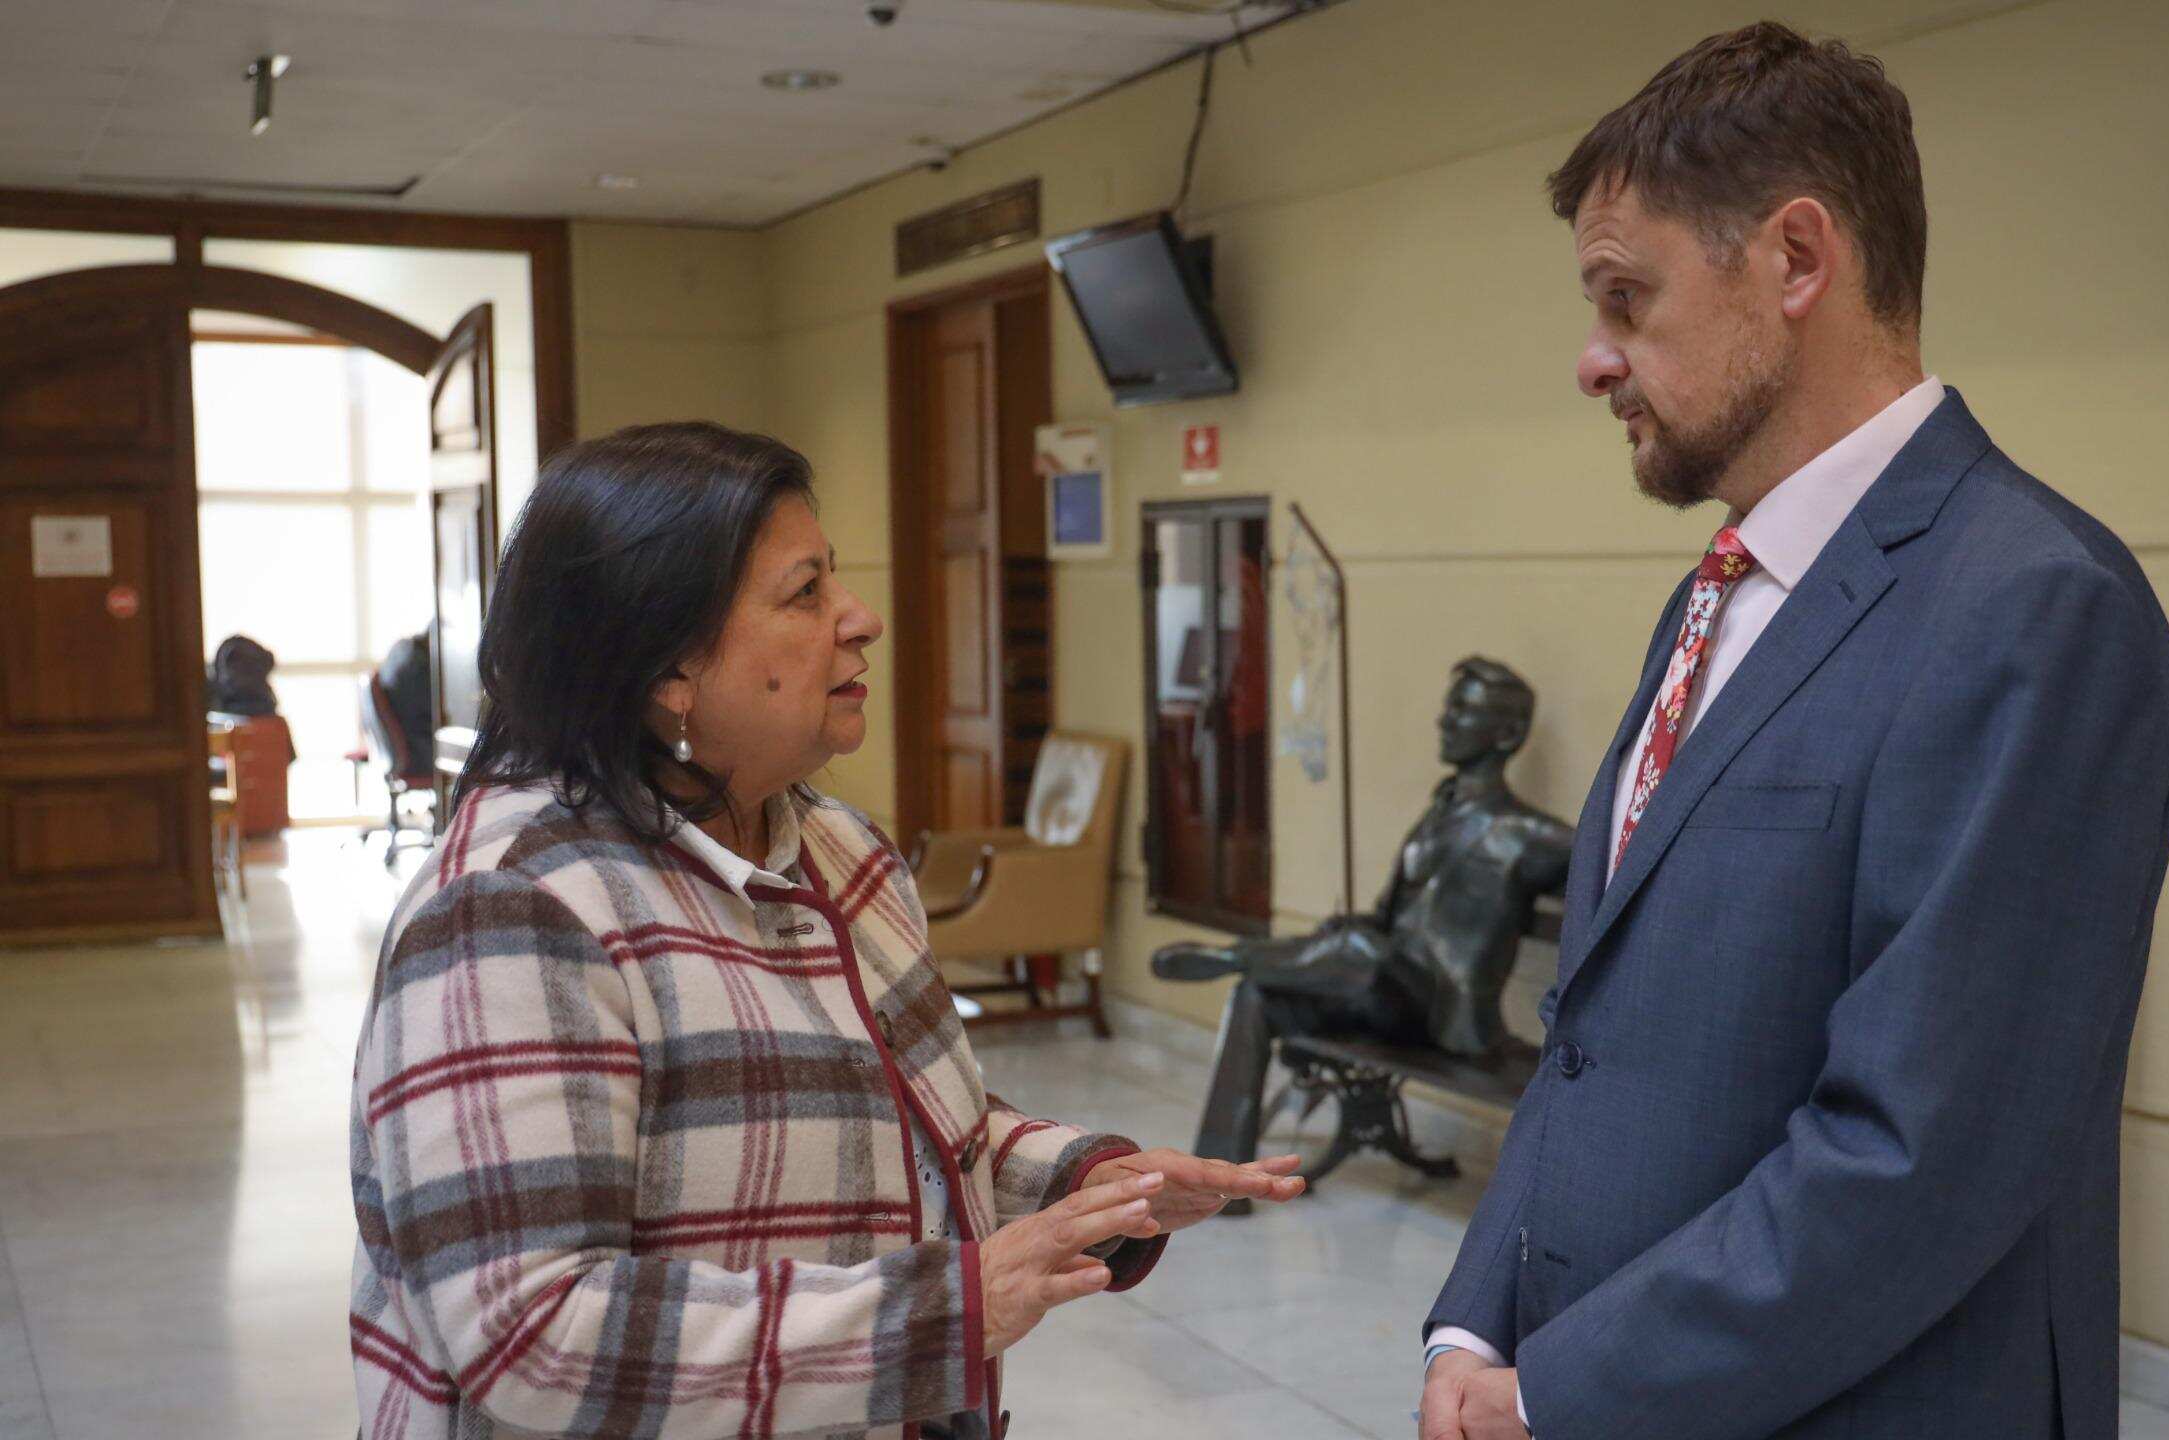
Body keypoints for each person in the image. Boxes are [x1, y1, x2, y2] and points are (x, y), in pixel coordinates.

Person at [1420, 23, 2169, 1440]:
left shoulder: (2032, 611)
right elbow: (1593, 1031)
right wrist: (1479, 1320)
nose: (1595, 362)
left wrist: (1565, 1395)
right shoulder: (1719, 593)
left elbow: (1920, 1155)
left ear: (1793, 260)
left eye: (1626, 299)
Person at [347, 422, 1303, 1440]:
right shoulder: (514, 908)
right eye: (805, 595)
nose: (862, 619)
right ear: (668, 664)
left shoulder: (839, 848)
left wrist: (1089, 1184)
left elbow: (904, 1121)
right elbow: (531, 1332)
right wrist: (952, 1308)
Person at [1151, 658, 1575, 1162]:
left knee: (1361, 949)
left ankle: (1237, 954)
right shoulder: (1435, 816)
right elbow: (1385, 916)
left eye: (1462, 710)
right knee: (1260, 993)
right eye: (1448, 707)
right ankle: (1223, 1172)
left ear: (1507, 734)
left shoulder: (1531, 836)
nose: (1444, 720)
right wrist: (1338, 935)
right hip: (1388, 991)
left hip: (1444, 1016)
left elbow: (1616, 876)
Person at [377, 627, 433, 764]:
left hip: (402, 745)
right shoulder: (419, 666)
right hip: (417, 750)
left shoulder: (402, 648)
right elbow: (435, 712)